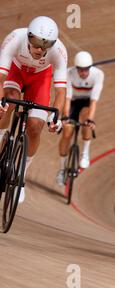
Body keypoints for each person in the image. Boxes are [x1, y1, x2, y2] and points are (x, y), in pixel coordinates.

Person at [0, 16, 66, 203]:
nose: (39, 49)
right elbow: (0, 78)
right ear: (28, 37)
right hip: (16, 70)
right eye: (36, 43)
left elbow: (61, 91)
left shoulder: (59, 51)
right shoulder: (15, 38)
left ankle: (21, 175)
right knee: (10, 100)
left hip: (40, 78)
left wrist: (56, 117)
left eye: (45, 45)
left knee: (35, 127)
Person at [56, 51, 104, 186]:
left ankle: (85, 153)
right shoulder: (68, 73)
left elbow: (94, 101)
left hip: (87, 103)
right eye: (80, 70)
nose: (83, 73)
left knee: (86, 120)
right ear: (76, 68)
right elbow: (67, 97)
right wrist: (65, 116)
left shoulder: (98, 74)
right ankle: (62, 168)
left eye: (86, 69)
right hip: (72, 102)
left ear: (90, 67)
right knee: (66, 132)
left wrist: (91, 119)